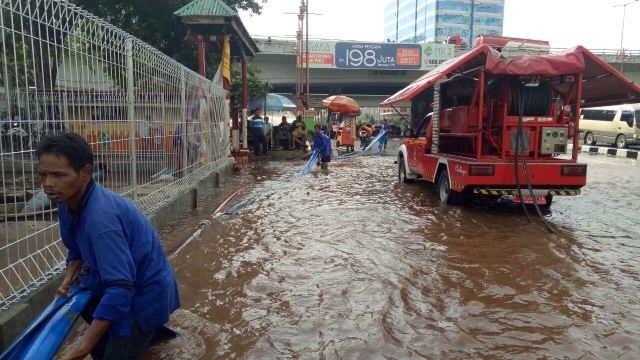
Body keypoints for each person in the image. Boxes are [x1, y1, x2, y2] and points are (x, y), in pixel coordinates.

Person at [35, 133, 180, 360]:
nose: (47, 184)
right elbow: (75, 250)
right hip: (119, 283)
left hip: (143, 294)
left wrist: (83, 347)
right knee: (102, 346)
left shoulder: (101, 220)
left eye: (57, 175)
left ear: (85, 173)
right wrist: (67, 280)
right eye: (43, 175)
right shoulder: (65, 202)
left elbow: (121, 288)